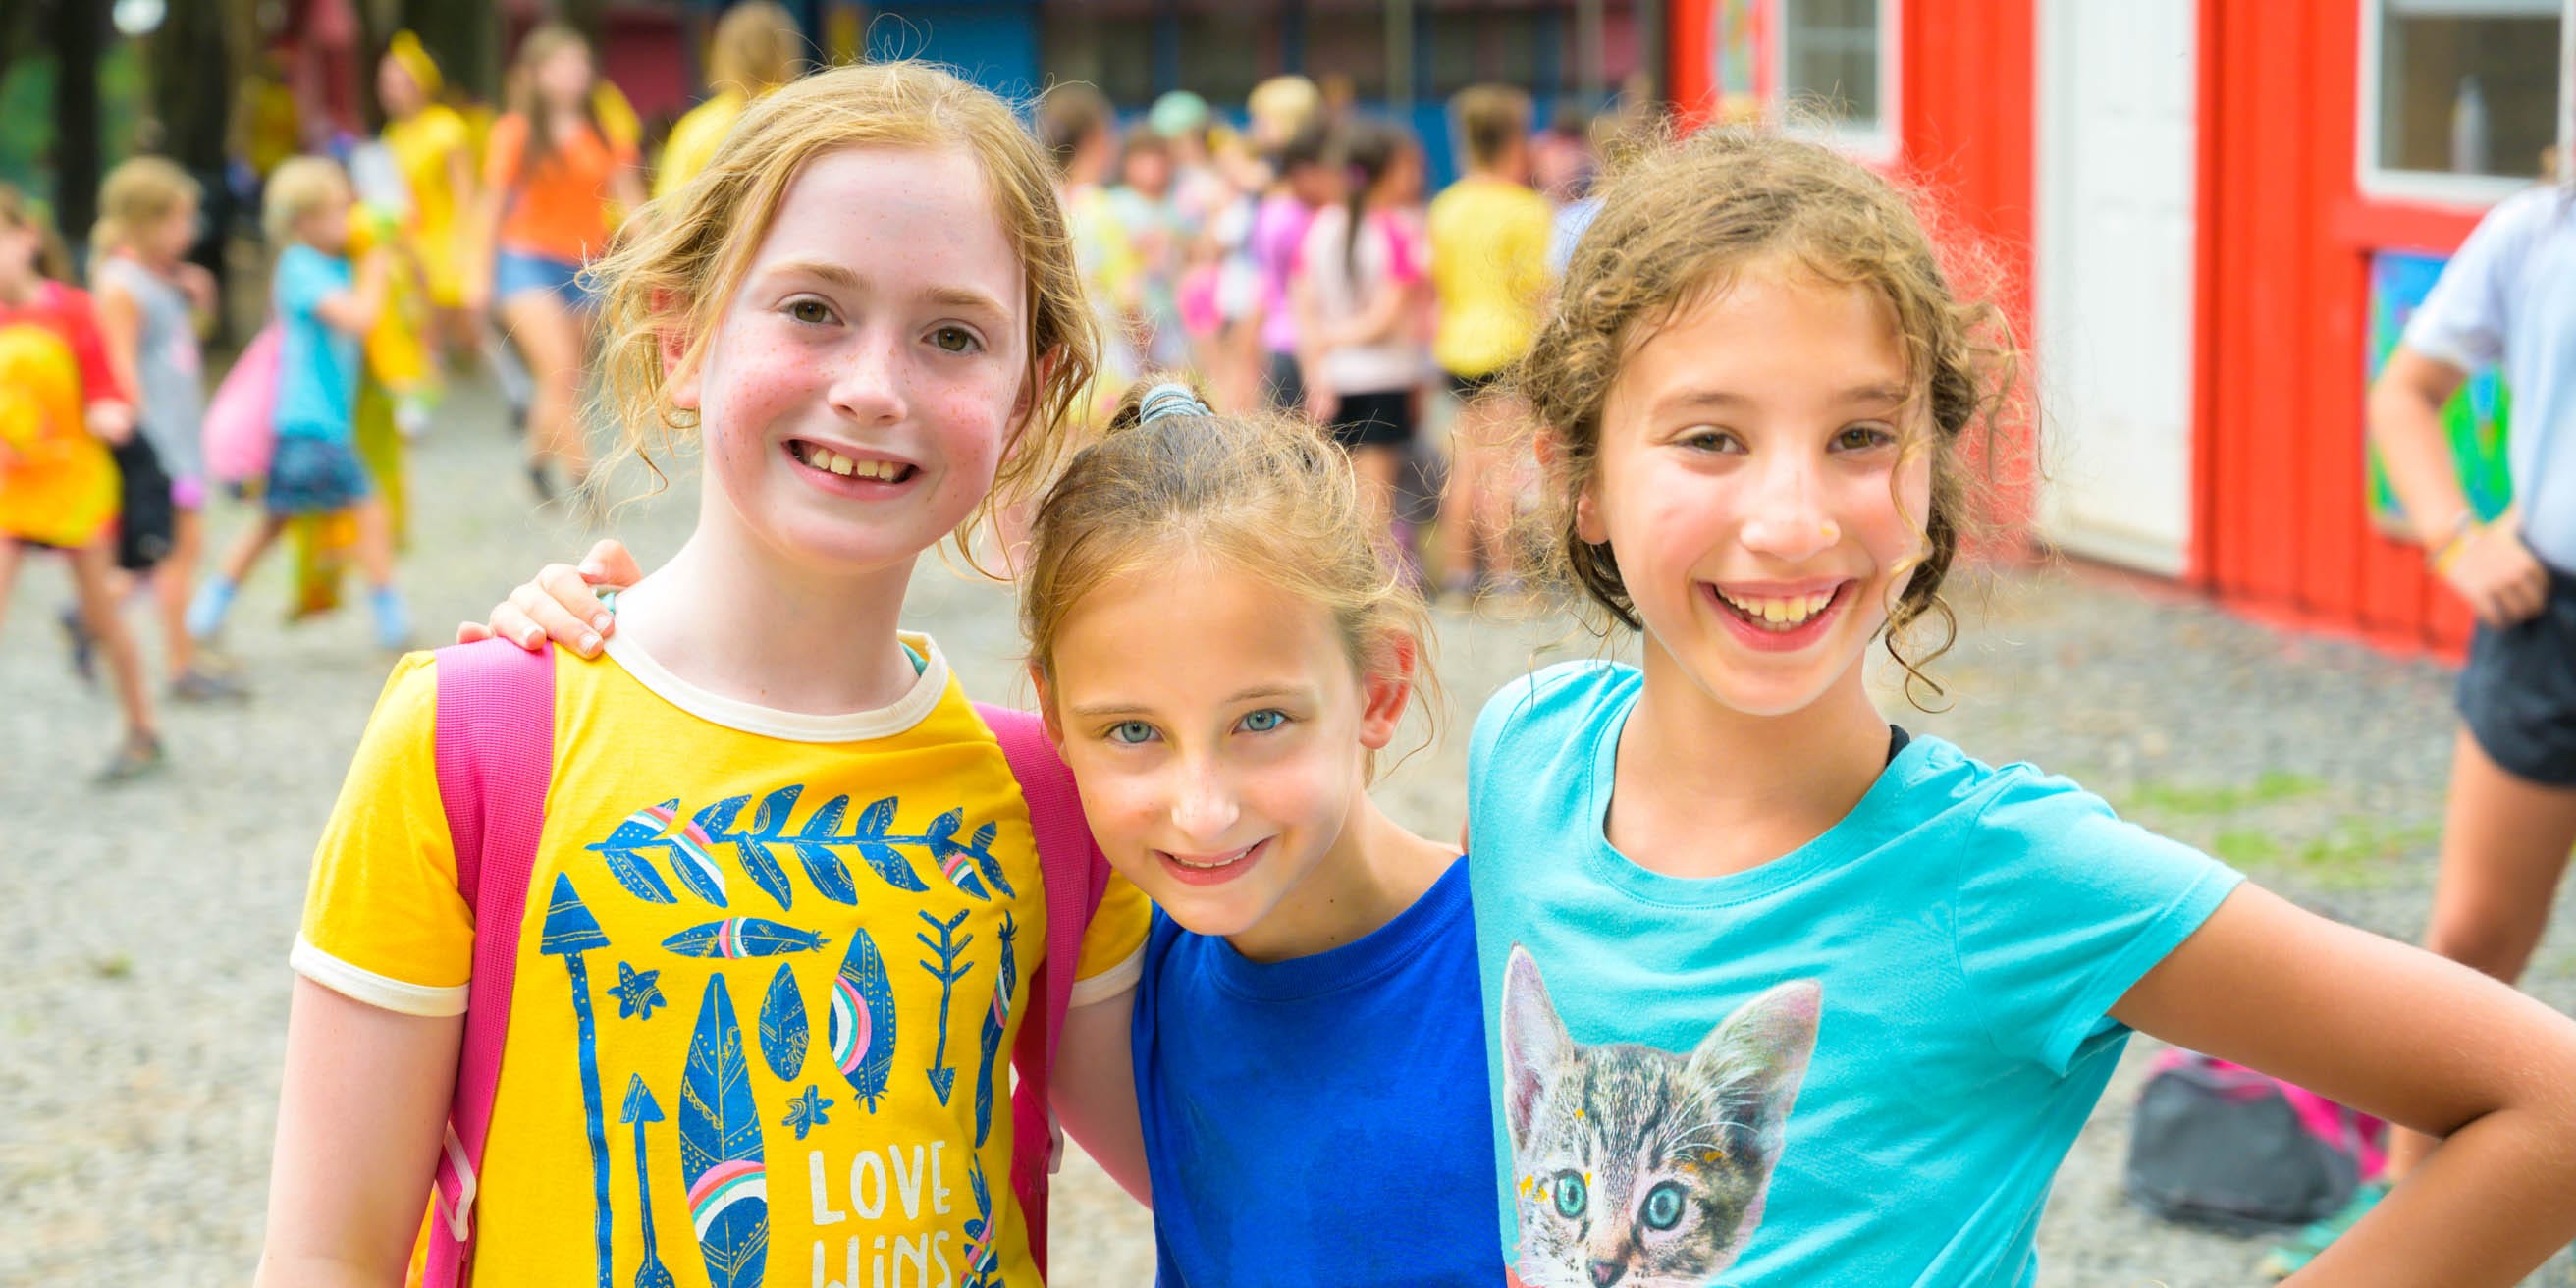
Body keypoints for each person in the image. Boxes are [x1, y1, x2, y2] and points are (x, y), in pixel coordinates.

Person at [1470, 126, 2576, 1285]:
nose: (1792, 518)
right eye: (1710, 438)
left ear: (1929, 473)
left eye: (1857, 436)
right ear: (1576, 478)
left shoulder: (2009, 876)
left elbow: (2546, 1107)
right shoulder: (1525, 757)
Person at [253, 62, 1150, 1288]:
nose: (872, 387)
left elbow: (1243, 1162)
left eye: (951, 334)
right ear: (683, 338)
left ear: (1031, 390)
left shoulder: (1057, 793)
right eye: (811, 309)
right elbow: (323, 1256)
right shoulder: (469, 738)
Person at [471, 374, 1510, 1283]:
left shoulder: (1528, 957)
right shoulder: (1101, 967)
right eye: (1133, 731)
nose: (1201, 808)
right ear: (1056, 720)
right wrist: (615, 650)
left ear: (1378, 690)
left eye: (1262, 720)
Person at [2266, 159, 2576, 1276]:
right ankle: (2399, 1201)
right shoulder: (2532, 236)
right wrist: (2455, 535)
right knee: (2471, 941)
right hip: (2549, 622)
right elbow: (2403, 391)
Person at [186, 158, 409, 657]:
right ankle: (389, 612)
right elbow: (358, 317)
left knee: (274, 519)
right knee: (367, 508)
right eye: (335, 211)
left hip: (313, 421)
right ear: (302, 221)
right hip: (310, 420)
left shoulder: (331, 261)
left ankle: (211, 605)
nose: (347, 219)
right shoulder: (300, 267)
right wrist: (374, 270)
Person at [0, 184, 165, 781]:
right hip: (11, 493)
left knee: (102, 613)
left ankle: (143, 727)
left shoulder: (70, 309)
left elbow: (105, 384)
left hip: (76, 487)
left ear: (25, 238)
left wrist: (108, 411)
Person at [88, 156, 242, 701]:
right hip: (161, 448)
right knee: (176, 553)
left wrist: (198, 297)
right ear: (146, 221)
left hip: (182, 439)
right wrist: (142, 457)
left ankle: (89, 619)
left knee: (166, 556)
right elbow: (122, 371)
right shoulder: (121, 285)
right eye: (179, 220)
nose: (190, 231)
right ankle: (179, 665)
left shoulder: (158, 278)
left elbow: (179, 352)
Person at [472, 23, 643, 500]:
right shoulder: (515, 132)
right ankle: (585, 479)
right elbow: (490, 207)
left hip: (586, 265)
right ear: (535, 74)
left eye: (580, 63)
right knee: (560, 367)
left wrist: (657, 257)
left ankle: (535, 463)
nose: (575, 73)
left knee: (566, 380)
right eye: (562, 64)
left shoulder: (605, 131)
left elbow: (630, 201)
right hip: (525, 260)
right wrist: (477, 277)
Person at [1427, 85, 1553, 601]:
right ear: (1514, 140)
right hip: (1508, 346)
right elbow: (1536, 292)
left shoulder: (1446, 205)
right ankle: (1506, 574)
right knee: (1501, 466)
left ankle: (1458, 572)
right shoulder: (1525, 209)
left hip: (1456, 346)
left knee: (1465, 462)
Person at [1292, 119, 1428, 552]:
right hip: (1384, 379)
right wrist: (1336, 338)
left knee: (1341, 497)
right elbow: (1386, 318)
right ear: (1388, 171)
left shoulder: (1318, 227)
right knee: (1376, 500)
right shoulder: (1396, 230)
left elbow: (1304, 310)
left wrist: (1318, 368)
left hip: (1334, 380)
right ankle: (1375, 593)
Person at [376, 31, 478, 364]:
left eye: (396, 80)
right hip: (408, 244)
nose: (387, 88)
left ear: (420, 83)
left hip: (446, 244)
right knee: (423, 335)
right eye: (384, 80)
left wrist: (466, 248)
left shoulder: (446, 128)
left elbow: (467, 194)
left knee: (464, 335)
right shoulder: (392, 134)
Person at [653, 1, 802, 200]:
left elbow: (670, 206)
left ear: (722, 53)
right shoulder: (803, 117)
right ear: (787, 49)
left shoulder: (698, 128)